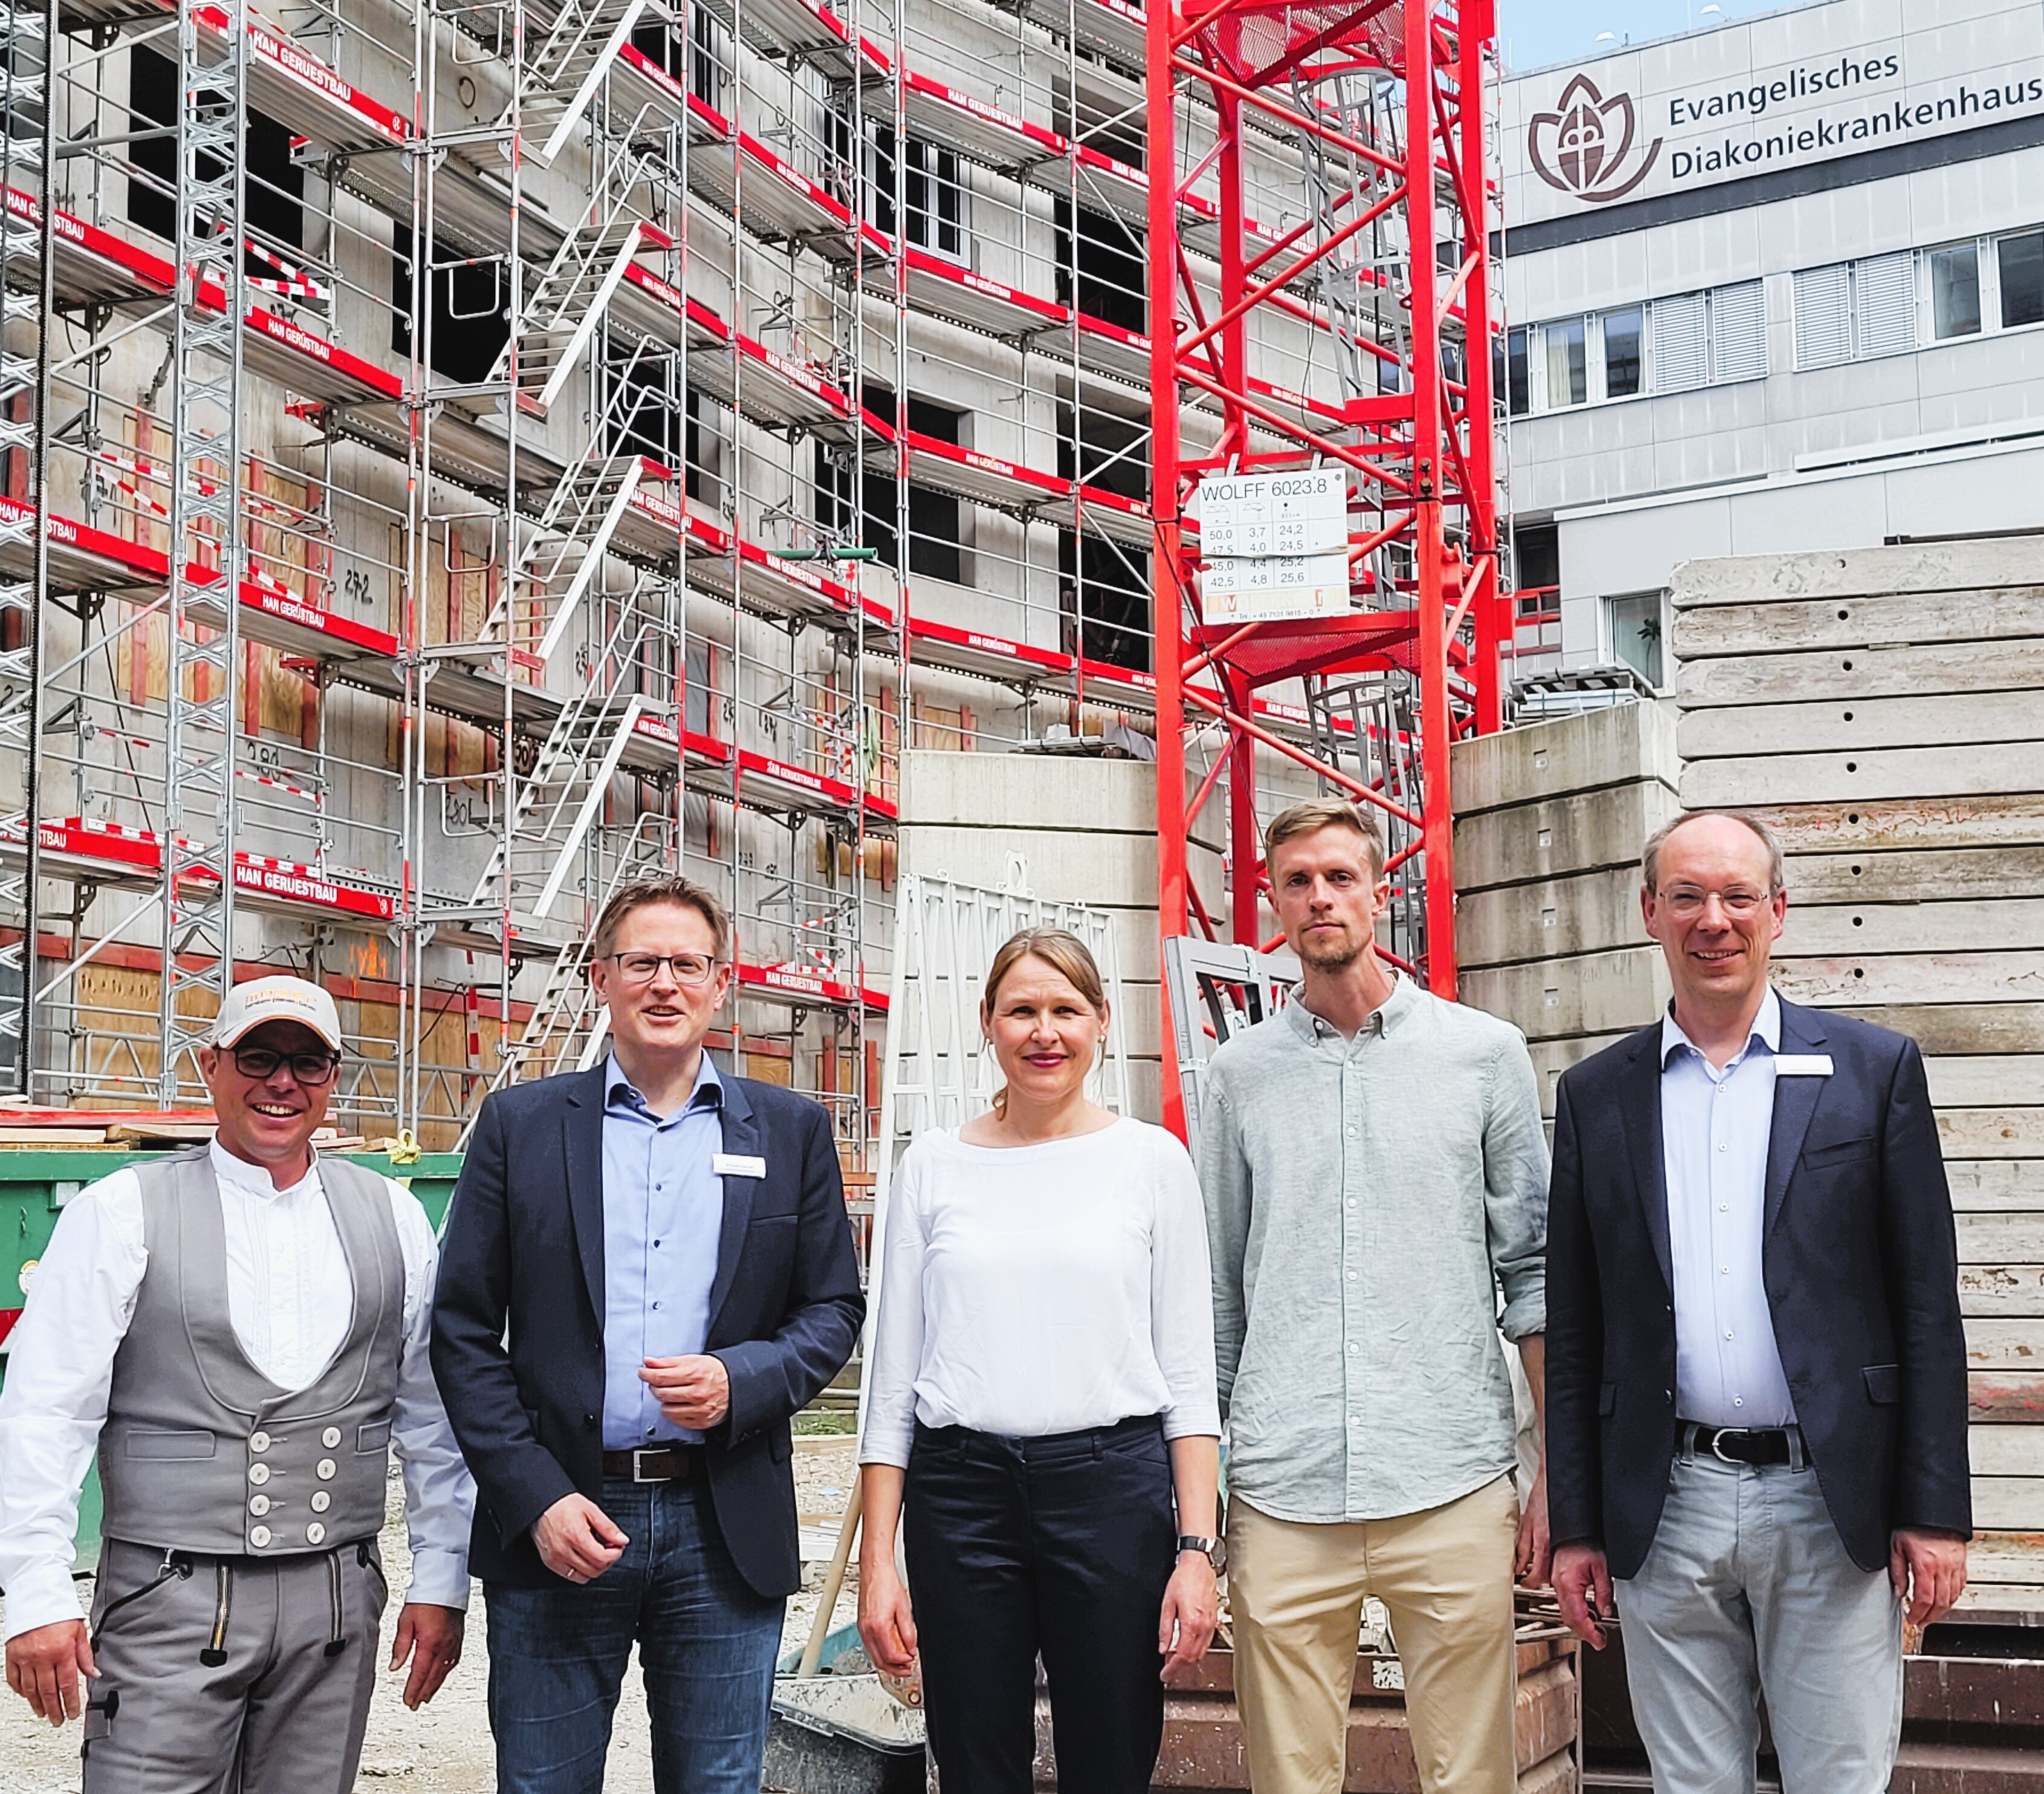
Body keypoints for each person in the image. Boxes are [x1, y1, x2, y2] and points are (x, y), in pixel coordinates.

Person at [1546, 810, 1970, 1792]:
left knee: (1839, 1777)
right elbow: (1575, 1327)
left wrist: (1935, 1509)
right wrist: (1575, 1523)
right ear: (1648, 911)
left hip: (1831, 1497)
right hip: (1667, 1498)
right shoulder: (1597, 1095)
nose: (1714, 920)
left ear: (1777, 911)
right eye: (1687, 896)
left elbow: (1924, 1304)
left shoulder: (1872, 1072)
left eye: (1738, 896)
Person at [432, 874, 864, 1794]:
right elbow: (465, 1329)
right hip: (562, 1522)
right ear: (602, 979)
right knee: (544, 1783)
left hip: (723, 1518)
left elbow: (832, 1311)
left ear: (720, 984)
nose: (664, 982)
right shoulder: (522, 1126)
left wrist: (741, 1381)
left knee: (716, 1784)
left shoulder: (789, 1132)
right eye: (641, 962)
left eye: (686, 963)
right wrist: (533, 1495)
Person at [0, 973, 472, 1790]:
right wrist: (36, 1593)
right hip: (165, 1597)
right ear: (209, 1066)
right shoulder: (121, 1212)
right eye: (257, 1057)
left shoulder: (393, 1217)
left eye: (307, 1063)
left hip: (335, 1605)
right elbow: (46, 1412)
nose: (281, 1082)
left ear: (333, 1079)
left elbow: (431, 1416)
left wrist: (440, 1581)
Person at [1200, 798, 1551, 1794]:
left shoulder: (1482, 1056)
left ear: (1378, 891)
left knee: (1470, 1777)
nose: (1320, 897)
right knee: (1291, 1780)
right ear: (1273, 899)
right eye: (1299, 881)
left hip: (1449, 1475)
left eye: (1340, 877)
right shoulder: (1238, 1074)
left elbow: (1531, 1277)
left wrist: (1550, 1470)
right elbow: (1220, 1293)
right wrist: (1211, 1493)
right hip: (1282, 1485)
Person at [857, 926, 1222, 1794]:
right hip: (961, 1495)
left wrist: (1196, 1552)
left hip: (1110, 1491)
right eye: (1021, 1010)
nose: (1043, 1031)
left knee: (1110, 1755)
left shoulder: (1149, 1162)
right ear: (987, 1022)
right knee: (975, 1759)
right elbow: (891, 1382)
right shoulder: (933, 1168)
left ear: (1101, 1020)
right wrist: (879, 1565)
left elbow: (1188, 1375)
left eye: (1065, 1009)